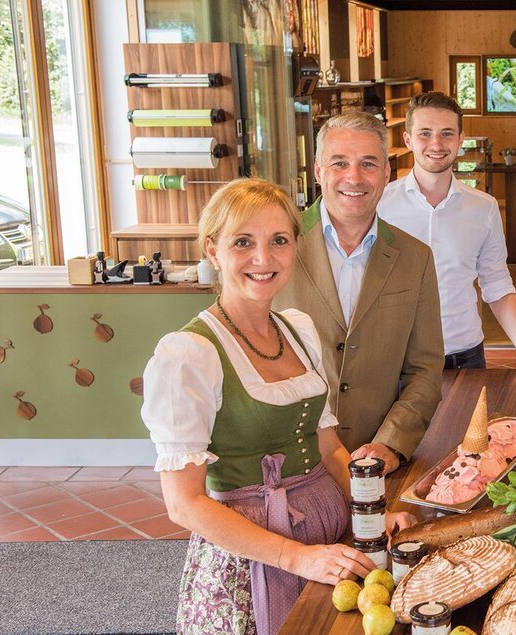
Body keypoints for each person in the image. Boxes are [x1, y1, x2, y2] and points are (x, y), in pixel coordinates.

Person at [141, 178, 416, 635]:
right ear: (213, 251)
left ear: (295, 248)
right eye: (243, 242)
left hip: (329, 536)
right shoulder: (189, 353)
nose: (263, 259)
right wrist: (297, 556)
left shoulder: (297, 330)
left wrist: (374, 516)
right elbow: (184, 505)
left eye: (279, 241)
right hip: (253, 560)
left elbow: (328, 451)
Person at [275, 111, 444, 475]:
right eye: (340, 163)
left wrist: (391, 443)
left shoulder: (415, 258)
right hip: (283, 460)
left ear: (386, 173)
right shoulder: (274, 248)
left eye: (368, 164)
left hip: (372, 460)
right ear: (319, 171)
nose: (354, 178)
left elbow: (425, 369)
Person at [377, 91, 516, 372]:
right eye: (425, 134)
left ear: (460, 139)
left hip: (464, 356)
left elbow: (498, 286)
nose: (436, 144)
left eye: (446, 134)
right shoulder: (380, 205)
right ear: (408, 139)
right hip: (395, 359)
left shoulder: (484, 207)